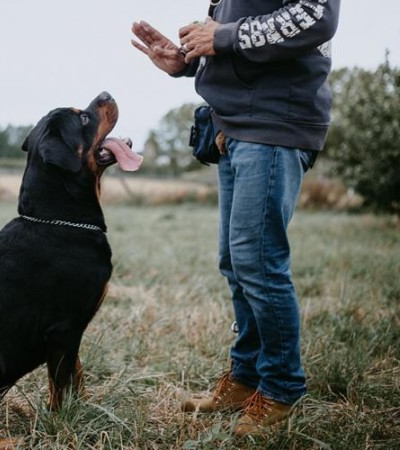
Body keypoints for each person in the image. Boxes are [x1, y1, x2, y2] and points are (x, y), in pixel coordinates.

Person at [131, 0, 340, 437]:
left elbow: (315, 16)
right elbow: (244, 42)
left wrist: (221, 36)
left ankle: (282, 388)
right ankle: (246, 378)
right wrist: (187, 62)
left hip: (274, 125)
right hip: (236, 125)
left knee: (259, 263)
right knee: (236, 262)